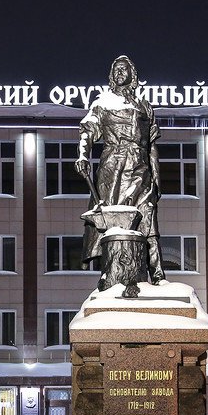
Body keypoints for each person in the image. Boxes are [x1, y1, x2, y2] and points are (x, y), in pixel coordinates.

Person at [76, 56, 166, 285]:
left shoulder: (144, 106)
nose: (119, 72)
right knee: (114, 221)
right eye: (115, 69)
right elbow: (87, 131)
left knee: (147, 214)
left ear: (132, 74)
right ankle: (111, 274)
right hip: (113, 168)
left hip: (140, 166)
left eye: (123, 69)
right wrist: (83, 155)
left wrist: (156, 177)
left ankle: (157, 273)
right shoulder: (103, 103)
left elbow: (151, 145)